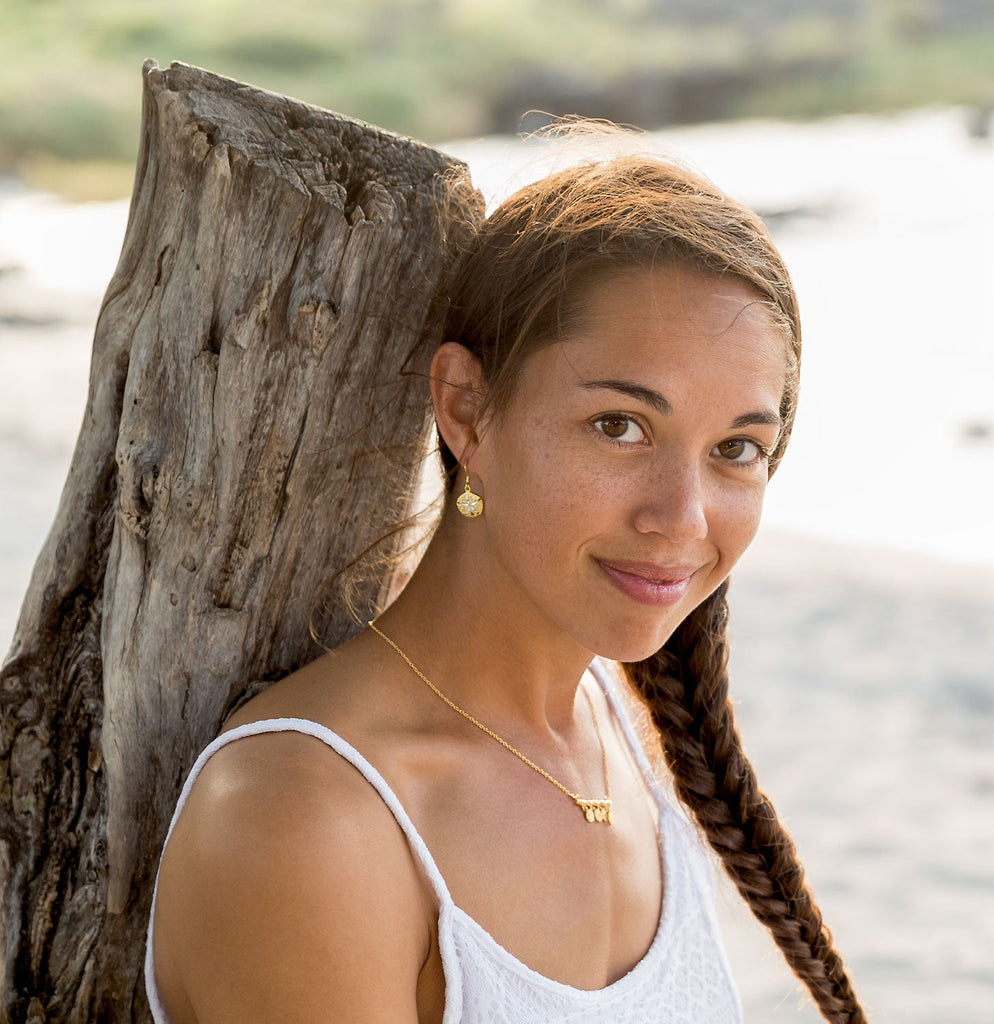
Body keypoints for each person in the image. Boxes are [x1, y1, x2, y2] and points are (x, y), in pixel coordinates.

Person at [145, 145, 868, 1023]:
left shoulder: (623, 734)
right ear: (465, 408)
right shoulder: (304, 818)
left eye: (736, 450)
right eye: (619, 426)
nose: (682, 518)